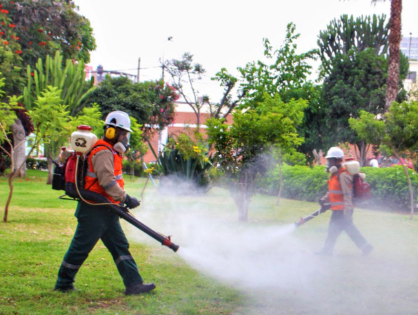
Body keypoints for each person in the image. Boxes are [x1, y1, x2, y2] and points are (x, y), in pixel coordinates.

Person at [54, 111, 156, 295]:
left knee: (120, 246)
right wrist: (126, 198)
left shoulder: (110, 151)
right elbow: (107, 183)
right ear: (111, 132)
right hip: (94, 210)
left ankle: (134, 284)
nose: (126, 139)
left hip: (106, 208)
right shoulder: (102, 152)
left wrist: (119, 201)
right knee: (80, 248)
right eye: (124, 134)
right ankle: (63, 283)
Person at [316, 147, 373, 256]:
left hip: (343, 210)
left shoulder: (343, 175)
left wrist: (347, 212)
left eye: (330, 160)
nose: (328, 162)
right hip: (338, 209)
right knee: (348, 230)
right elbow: (333, 191)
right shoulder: (335, 174)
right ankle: (366, 247)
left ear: (338, 160)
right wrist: (324, 199)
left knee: (334, 230)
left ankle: (327, 251)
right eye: (328, 160)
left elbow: (347, 194)